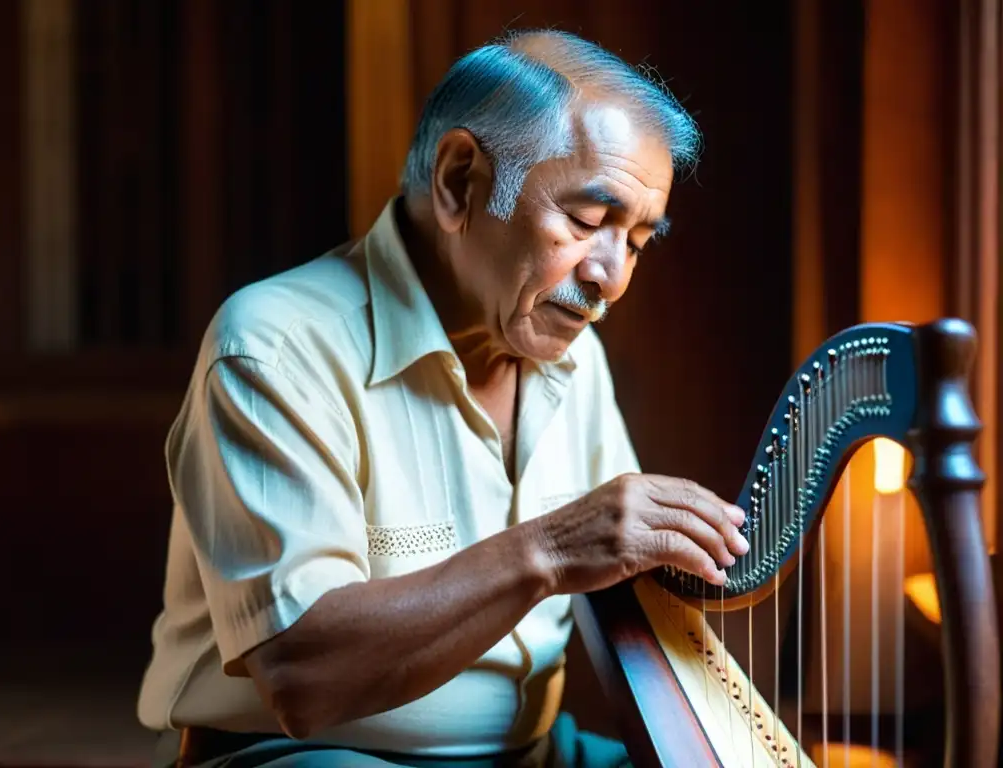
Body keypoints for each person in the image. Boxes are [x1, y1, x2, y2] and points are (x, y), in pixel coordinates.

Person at [138, 29, 750, 768]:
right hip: (312, 757)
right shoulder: (273, 346)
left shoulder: (575, 361)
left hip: (532, 754)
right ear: (460, 181)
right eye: (588, 223)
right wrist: (552, 549)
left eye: (638, 242)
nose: (610, 276)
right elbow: (303, 677)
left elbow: (623, 568)